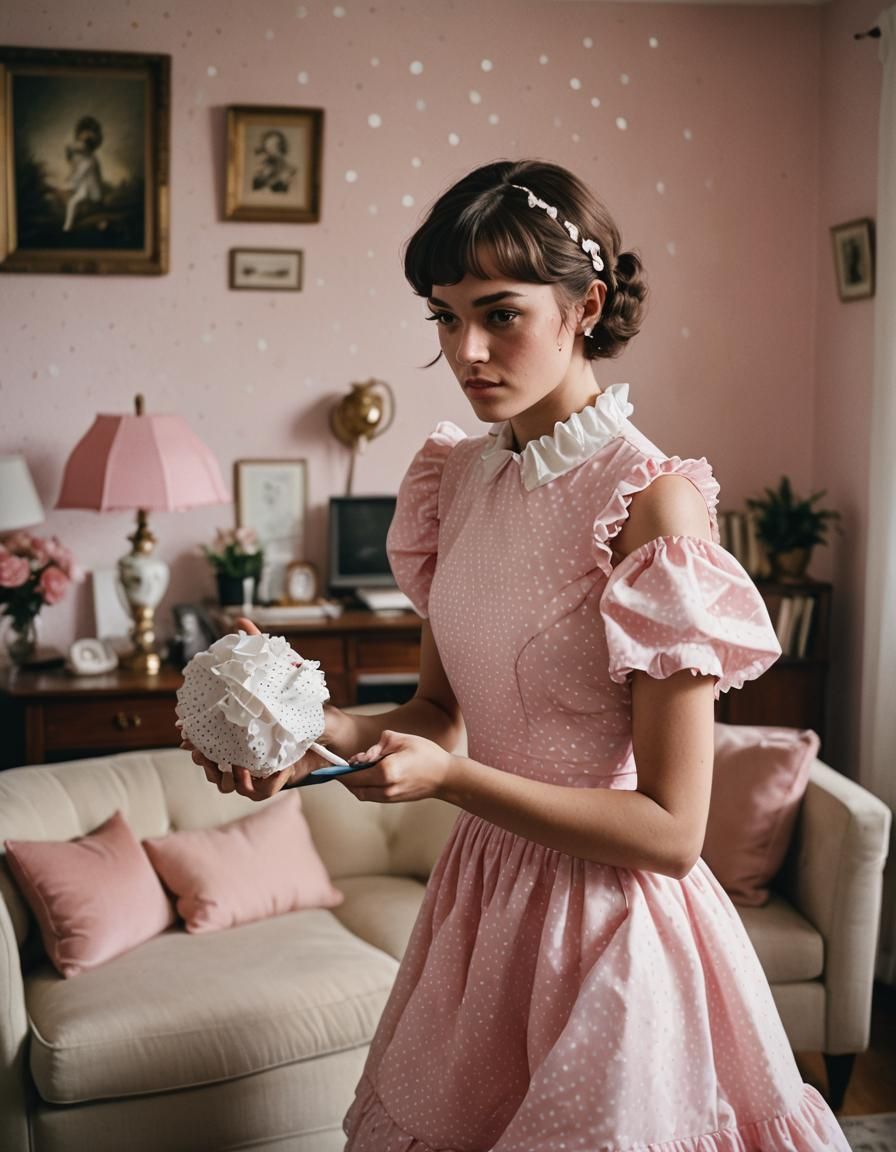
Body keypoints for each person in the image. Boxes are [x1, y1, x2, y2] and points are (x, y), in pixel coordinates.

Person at [189, 160, 850, 1151]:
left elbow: (673, 831)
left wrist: (450, 781)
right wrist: (306, 728)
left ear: (586, 306)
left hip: (607, 931)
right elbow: (437, 713)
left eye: (500, 315)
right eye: (444, 316)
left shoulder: (651, 507)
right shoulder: (455, 479)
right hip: (482, 908)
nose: (466, 350)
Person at [63, 115, 104, 232]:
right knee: (73, 202)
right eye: (83, 132)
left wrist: (72, 179)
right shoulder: (81, 155)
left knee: (88, 201)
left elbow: (82, 173)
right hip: (84, 187)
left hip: (91, 188)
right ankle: (68, 227)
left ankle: (98, 222)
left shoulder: (90, 159)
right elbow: (71, 156)